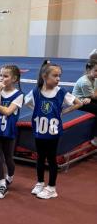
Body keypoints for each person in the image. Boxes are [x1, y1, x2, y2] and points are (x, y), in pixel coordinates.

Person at [25, 60, 89, 200]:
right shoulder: (36, 92)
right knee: (40, 158)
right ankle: (40, 183)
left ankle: (52, 188)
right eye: (55, 75)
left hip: (53, 132)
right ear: (45, 76)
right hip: (39, 131)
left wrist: (63, 112)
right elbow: (26, 101)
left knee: (51, 159)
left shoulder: (61, 92)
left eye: (59, 75)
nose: (58, 78)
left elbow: (78, 103)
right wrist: (35, 110)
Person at [0, 64, 23, 199]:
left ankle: (10, 177)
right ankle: (1, 183)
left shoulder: (18, 95)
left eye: (5, 76)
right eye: (0, 75)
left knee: (8, 158)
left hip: (8, 130)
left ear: (14, 79)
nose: (1, 78)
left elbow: (6, 111)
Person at [72, 59, 97, 146]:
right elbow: (94, 96)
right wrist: (91, 96)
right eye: (96, 70)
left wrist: (91, 97)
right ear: (88, 70)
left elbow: (94, 94)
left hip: (87, 98)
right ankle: (95, 138)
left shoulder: (94, 78)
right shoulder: (85, 82)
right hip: (79, 102)